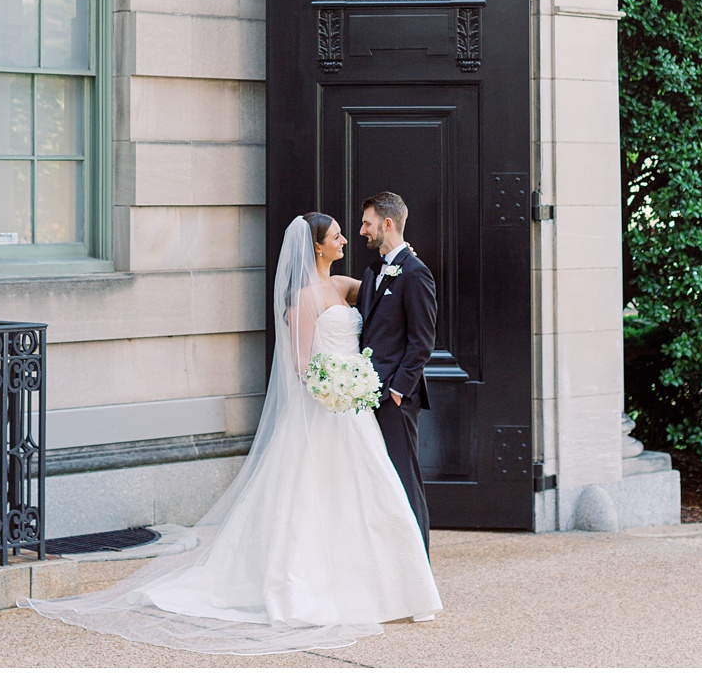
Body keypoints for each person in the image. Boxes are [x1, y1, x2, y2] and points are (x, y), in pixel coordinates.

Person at [22, 214, 442, 654]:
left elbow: (389, 303)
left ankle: (390, 586)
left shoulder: (346, 286)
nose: (347, 239)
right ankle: (313, 587)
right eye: (337, 235)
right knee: (313, 500)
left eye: (350, 230)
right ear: (317, 247)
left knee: (371, 495)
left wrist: (376, 369)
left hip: (353, 412)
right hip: (327, 407)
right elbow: (301, 367)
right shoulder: (302, 299)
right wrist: (340, 383)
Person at [357, 190, 437, 553]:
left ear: (387, 224)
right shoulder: (372, 272)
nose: (362, 231)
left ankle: (419, 566)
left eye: (367, 223)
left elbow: (422, 342)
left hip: (394, 399)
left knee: (405, 479)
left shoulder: (416, 275)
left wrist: (397, 391)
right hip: (363, 396)